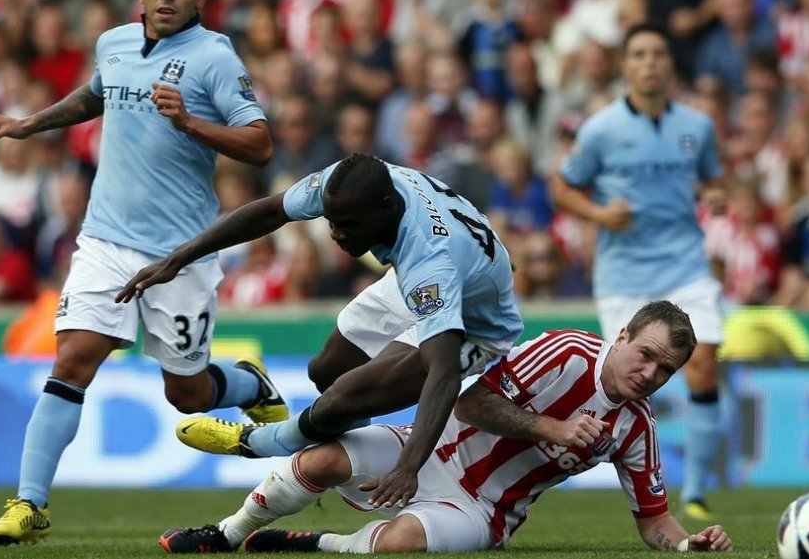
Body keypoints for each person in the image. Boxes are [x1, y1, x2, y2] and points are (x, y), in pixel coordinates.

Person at [0, 0, 281, 546]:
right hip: (104, 240)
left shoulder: (215, 57)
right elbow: (97, 94)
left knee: (186, 394)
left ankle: (248, 385)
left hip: (182, 252)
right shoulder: (113, 43)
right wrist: (27, 125)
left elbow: (260, 144)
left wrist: (190, 122)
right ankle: (29, 504)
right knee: (71, 363)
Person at [116, 152, 523, 512]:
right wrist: (178, 258)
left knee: (341, 398)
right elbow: (271, 210)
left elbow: (445, 371)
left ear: (385, 208)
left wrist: (407, 468)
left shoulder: (429, 260)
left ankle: (258, 441)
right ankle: (351, 465)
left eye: (347, 225)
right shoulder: (348, 182)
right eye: (331, 221)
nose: (334, 234)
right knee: (326, 371)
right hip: (425, 282)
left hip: (475, 324)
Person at [156, 301, 733, 555]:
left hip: (483, 512)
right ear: (624, 337)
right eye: (647, 354)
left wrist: (686, 545)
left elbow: (653, 519)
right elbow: (469, 403)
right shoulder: (566, 353)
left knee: (402, 542)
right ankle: (228, 535)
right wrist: (552, 429)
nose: (651, 373)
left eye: (667, 369)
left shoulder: (637, 429)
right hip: (428, 449)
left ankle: (312, 544)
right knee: (319, 461)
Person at [551, 22, 725, 521]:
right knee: (627, 382)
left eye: (658, 54)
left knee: (705, 361)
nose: (650, 62)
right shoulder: (601, 128)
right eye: (640, 54)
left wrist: (715, 193)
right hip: (625, 273)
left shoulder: (697, 127)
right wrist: (601, 216)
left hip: (685, 263)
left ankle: (695, 489)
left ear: (670, 65)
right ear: (626, 65)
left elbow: (715, 177)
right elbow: (562, 188)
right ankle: (631, 486)